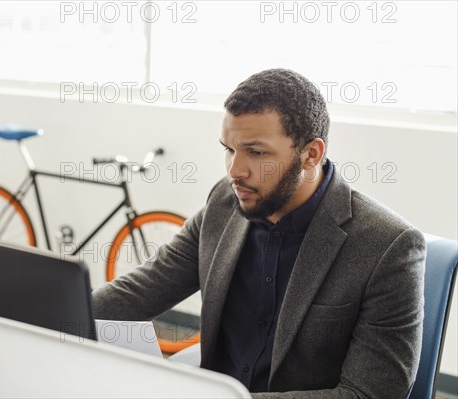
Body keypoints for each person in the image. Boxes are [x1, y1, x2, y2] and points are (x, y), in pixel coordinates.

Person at [92, 69, 425, 398]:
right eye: (229, 149)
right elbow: (138, 292)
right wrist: (54, 313)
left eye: (256, 152)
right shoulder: (224, 202)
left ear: (311, 154)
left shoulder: (388, 247)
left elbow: (368, 394)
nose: (235, 171)